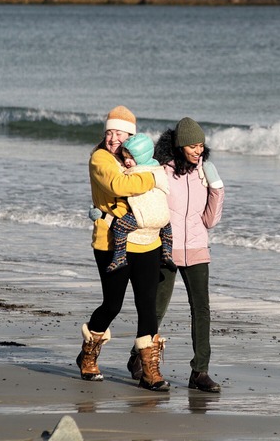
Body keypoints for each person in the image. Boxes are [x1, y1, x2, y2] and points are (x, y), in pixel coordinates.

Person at [128, 116, 225, 393]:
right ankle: (140, 356)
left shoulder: (204, 173)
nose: (198, 150)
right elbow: (144, 203)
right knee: (156, 308)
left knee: (202, 310)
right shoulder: (162, 172)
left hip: (197, 247)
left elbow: (210, 221)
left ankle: (200, 371)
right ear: (179, 146)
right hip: (165, 248)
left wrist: (217, 188)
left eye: (201, 145)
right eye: (192, 146)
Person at [78, 105, 170, 391]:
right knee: (112, 304)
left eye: (119, 133)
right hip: (109, 240)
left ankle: (149, 370)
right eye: (109, 131)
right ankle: (89, 354)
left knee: (147, 305)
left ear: (130, 136)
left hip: (146, 241)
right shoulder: (100, 159)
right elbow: (119, 185)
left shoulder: (138, 160)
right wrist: (155, 176)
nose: (113, 138)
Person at [105, 133, 173, 273]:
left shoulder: (133, 173)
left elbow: (123, 186)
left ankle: (119, 257)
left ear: (141, 157)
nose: (127, 161)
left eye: (131, 157)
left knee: (119, 227)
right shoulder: (159, 169)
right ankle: (167, 253)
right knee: (166, 227)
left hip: (142, 216)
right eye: (125, 158)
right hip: (163, 216)